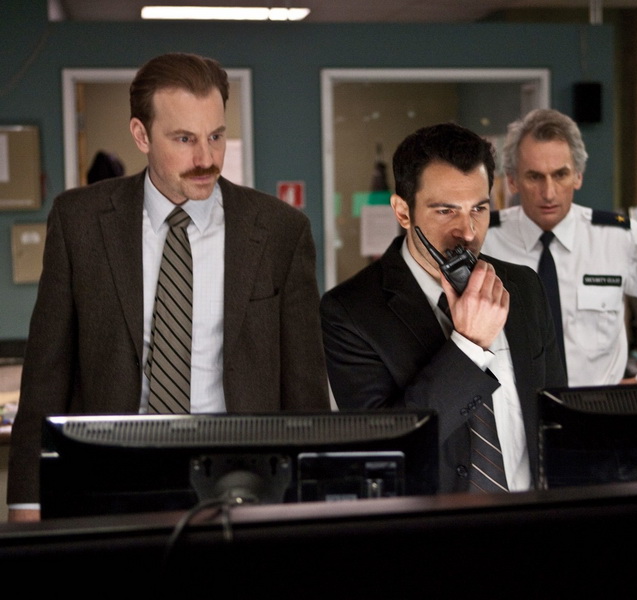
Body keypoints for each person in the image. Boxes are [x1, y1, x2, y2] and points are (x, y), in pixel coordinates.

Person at [7, 52, 330, 521]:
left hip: (240, 484)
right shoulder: (79, 222)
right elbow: (45, 377)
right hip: (110, 479)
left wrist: (315, 500)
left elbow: (305, 390)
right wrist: (26, 500)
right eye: (184, 139)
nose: (206, 159)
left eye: (215, 136)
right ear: (141, 135)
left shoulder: (281, 231)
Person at [320, 122, 566, 494]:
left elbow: (555, 418)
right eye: (445, 211)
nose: (467, 232)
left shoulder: (523, 287)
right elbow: (386, 446)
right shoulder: (350, 312)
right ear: (403, 212)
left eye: (478, 209)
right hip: (433, 522)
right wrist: (469, 346)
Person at [481, 108, 637, 386]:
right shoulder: (484, 240)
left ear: (578, 176)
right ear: (512, 181)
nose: (549, 193)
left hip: (597, 406)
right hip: (513, 407)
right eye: (534, 177)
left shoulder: (616, 237)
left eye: (560, 175)